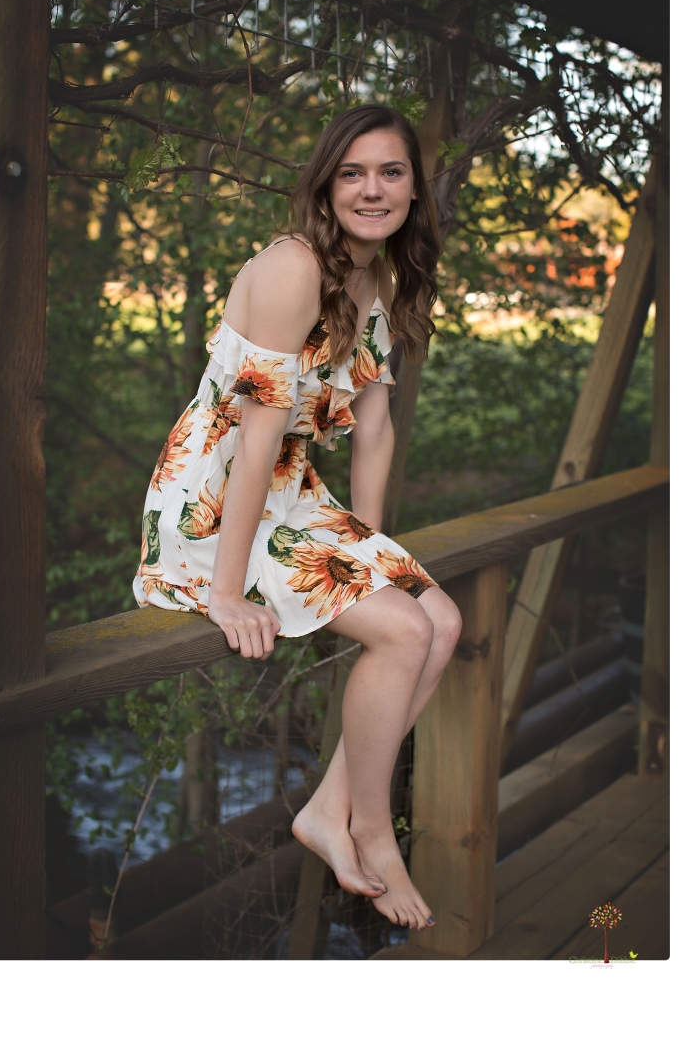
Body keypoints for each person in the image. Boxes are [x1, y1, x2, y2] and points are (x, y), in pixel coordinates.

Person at [133, 104, 462, 932]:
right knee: (403, 631)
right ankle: (373, 829)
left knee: (441, 622)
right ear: (326, 183)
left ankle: (326, 810)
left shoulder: (376, 276)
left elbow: (376, 428)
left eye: (390, 171)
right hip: (215, 498)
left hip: (291, 489)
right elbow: (254, 440)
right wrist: (222, 590)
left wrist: (371, 550)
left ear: (414, 188)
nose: (372, 189)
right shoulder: (293, 269)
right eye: (352, 172)